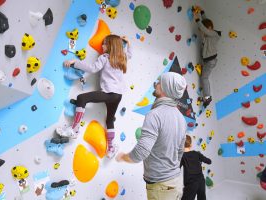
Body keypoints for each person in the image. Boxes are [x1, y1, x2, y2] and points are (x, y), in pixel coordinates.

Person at [56, 34, 132, 158]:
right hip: (118, 95)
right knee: (109, 119)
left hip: (108, 92)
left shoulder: (105, 57)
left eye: (105, 43)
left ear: (111, 45)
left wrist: (75, 62)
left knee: (82, 98)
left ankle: (74, 129)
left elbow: (92, 68)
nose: (102, 46)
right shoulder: (122, 58)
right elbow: (130, 54)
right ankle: (111, 148)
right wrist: (128, 43)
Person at [116, 72, 187, 200]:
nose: (156, 84)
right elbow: (180, 152)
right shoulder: (181, 118)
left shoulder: (154, 115)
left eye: (160, 82)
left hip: (161, 186)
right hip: (175, 181)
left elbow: (141, 152)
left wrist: (123, 157)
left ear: (166, 88)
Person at [194, 9, 221, 108]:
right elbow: (206, 24)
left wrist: (197, 19)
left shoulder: (213, 34)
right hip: (208, 60)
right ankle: (207, 95)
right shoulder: (210, 34)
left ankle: (207, 97)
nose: (203, 32)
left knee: (204, 78)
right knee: (205, 77)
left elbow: (205, 28)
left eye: (204, 30)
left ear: (209, 28)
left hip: (210, 61)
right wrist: (202, 13)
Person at [180, 135, 212, 200]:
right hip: (201, 181)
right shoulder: (196, 153)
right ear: (191, 145)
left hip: (190, 183)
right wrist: (201, 159)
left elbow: (177, 168)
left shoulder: (181, 156)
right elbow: (209, 161)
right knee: (202, 198)